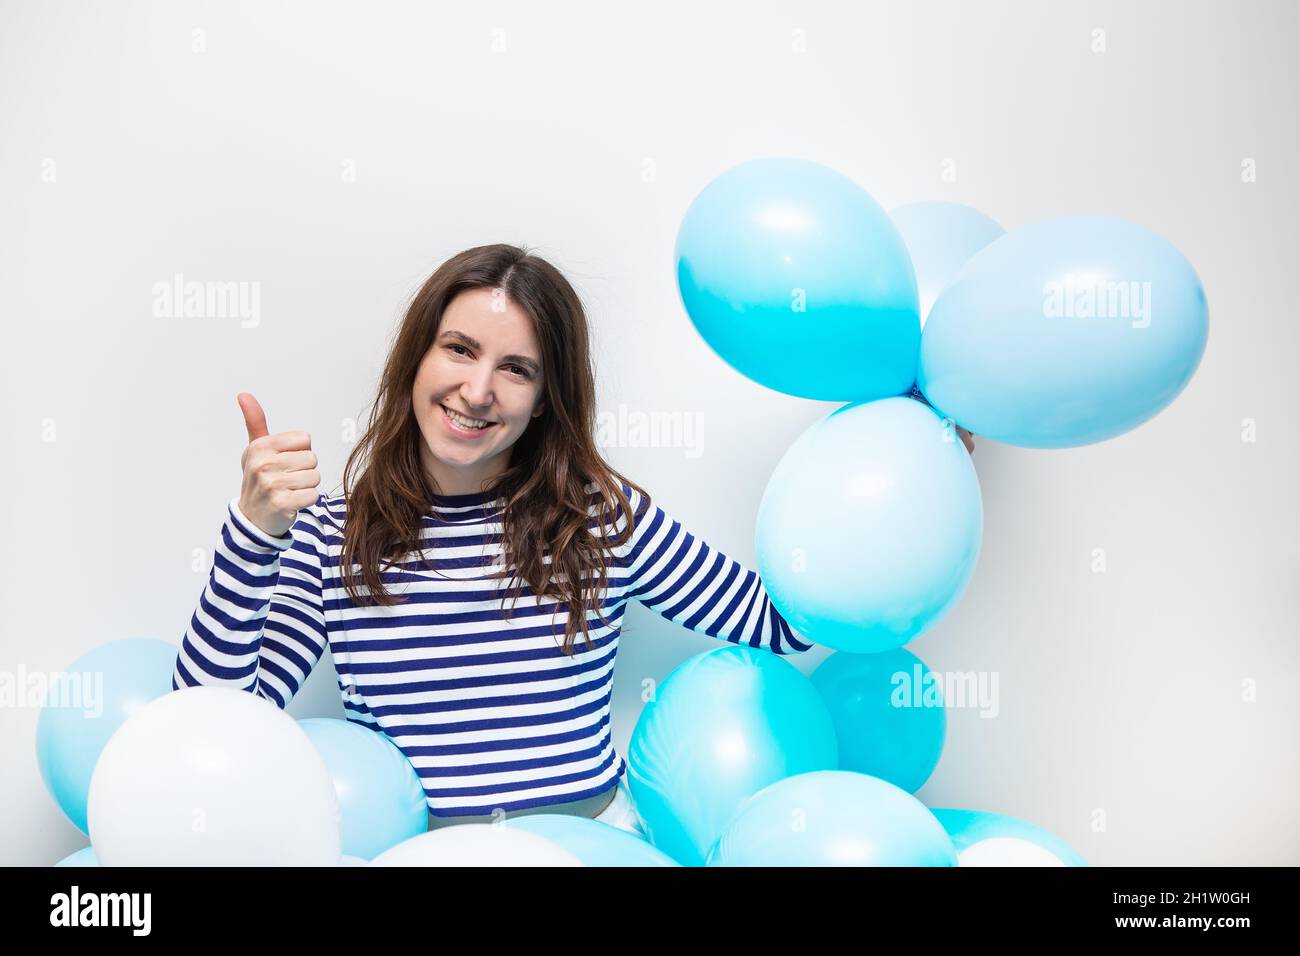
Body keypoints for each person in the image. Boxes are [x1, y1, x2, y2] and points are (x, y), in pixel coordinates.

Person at [172, 243, 972, 835]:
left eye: (516, 369)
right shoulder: (330, 537)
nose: (478, 390)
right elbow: (213, 725)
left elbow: (784, 623)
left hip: (586, 849)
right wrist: (254, 534)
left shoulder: (597, 517)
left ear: (547, 396)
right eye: (458, 349)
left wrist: (905, 468)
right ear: (415, 357)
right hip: (418, 856)